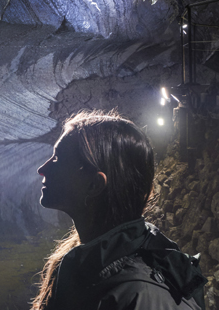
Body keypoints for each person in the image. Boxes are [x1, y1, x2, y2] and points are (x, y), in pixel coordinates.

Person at [31, 110, 206, 310]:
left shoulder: (136, 297)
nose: (42, 169)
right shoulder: (91, 262)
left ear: (95, 185)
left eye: (57, 159)